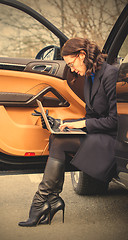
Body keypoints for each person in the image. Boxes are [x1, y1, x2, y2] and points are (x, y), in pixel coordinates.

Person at [18, 37, 118, 227]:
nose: (71, 69)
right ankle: (49, 200)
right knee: (58, 136)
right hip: (99, 133)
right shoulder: (90, 76)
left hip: (112, 139)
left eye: (71, 63)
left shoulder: (110, 74)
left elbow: (114, 121)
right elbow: (91, 115)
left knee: (60, 141)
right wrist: (66, 124)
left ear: (82, 55)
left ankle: (43, 202)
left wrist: (82, 125)